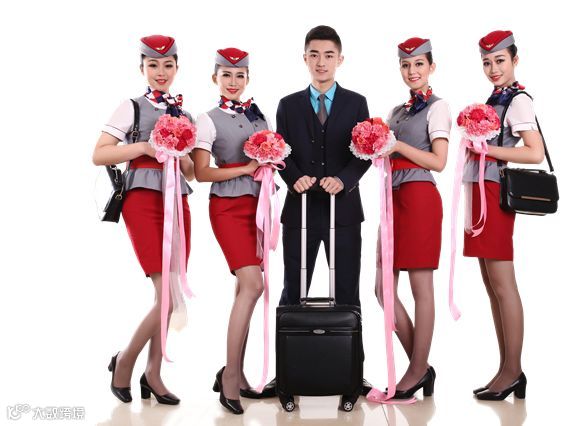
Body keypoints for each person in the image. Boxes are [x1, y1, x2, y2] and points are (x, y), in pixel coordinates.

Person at [92, 35, 195, 405]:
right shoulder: (131, 107)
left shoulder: (185, 115)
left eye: (168, 65)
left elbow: (191, 172)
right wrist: (145, 147)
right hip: (142, 199)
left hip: (177, 202)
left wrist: (180, 151)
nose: (161, 72)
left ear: (177, 68)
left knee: (166, 293)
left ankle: (153, 373)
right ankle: (125, 361)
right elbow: (99, 154)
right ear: (143, 68)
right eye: (153, 65)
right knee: (168, 296)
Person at [275, 24, 372, 395]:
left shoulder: (356, 102)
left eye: (328, 55)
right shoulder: (288, 105)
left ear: (340, 59)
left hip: (343, 212)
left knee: (347, 292)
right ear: (304, 58)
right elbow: (280, 152)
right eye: (314, 54)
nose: (321, 62)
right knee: (292, 291)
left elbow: (365, 151)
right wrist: (294, 177)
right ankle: (285, 372)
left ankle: (352, 371)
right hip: (299, 211)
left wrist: (344, 180)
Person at [462, 30, 545, 401]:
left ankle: (513, 370)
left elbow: (534, 152)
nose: (493, 68)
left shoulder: (518, 100)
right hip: (482, 194)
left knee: (503, 284)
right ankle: (506, 368)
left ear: (515, 60)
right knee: (491, 285)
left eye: (499, 60)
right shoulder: (496, 99)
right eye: (486, 62)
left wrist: (488, 151)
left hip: (495, 196)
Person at [192, 47, 275, 415]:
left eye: (240, 75)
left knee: (244, 288)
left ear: (247, 78)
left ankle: (237, 373)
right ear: (215, 78)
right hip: (226, 208)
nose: (233, 81)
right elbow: (201, 173)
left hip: (257, 208)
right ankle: (229, 377)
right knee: (254, 285)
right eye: (226, 74)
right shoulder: (207, 120)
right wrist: (245, 168)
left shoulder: (260, 116)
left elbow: (270, 161)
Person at [375, 37, 451, 399]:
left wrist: (397, 146)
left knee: (421, 287)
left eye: (419, 64)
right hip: (391, 197)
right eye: (405, 65)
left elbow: (439, 161)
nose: (412, 71)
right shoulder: (396, 111)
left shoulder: (438, 107)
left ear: (431, 67)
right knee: (382, 288)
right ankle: (420, 366)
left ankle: (417, 369)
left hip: (420, 196)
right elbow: (386, 155)